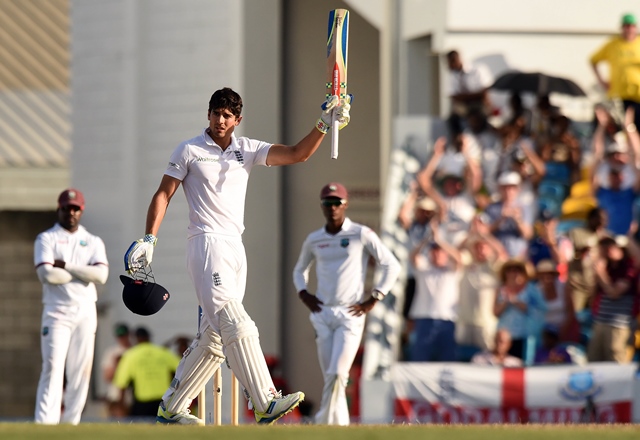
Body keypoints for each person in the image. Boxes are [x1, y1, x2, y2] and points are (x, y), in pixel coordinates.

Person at [123, 87, 351, 425]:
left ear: (237, 120)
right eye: (215, 113)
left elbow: (297, 154)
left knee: (215, 337)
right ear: (209, 114)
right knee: (235, 320)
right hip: (205, 243)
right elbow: (164, 193)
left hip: (234, 246)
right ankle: (265, 400)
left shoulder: (247, 149)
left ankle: (172, 407)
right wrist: (149, 238)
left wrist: (323, 122)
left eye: (227, 115)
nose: (220, 120)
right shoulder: (189, 150)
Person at [292, 182, 400, 425]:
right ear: (322, 206)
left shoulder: (360, 233)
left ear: (345, 204)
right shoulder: (314, 239)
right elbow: (299, 270)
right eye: (327, 203)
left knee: (338, 373)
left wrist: (375, 298)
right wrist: (304, 294)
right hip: (322, 313)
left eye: (336, 202)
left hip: (350, 312)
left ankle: (322, 420)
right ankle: (339, 425)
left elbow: (391, 264)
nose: (332, 208)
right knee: (332, 375)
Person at [34, 188, 109, 424]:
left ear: (82, 210)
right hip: (57, 311)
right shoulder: (47, 238)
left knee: (80, 370)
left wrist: (66, 266)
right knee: (53, 367)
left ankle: (71, 424)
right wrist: (82, 273)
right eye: (67, 208)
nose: (71, 213)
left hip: (85, 311)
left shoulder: (93, 241)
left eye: (75, 208)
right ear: (60, 209)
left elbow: (101, 275)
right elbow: (47, 274)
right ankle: (45, 423)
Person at [407, 221, 463, 362]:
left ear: (445, 254)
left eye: (440, 252)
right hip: (424, 318)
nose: (437, 255)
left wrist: (439, 240)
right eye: (434, 252)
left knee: (446, 358)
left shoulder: (451, 270)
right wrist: (427, 239)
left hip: (447, 319)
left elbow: (458, 258)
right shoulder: (424, 268)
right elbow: (413, 256)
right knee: (421, 356)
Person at [113, 327, 181, 417]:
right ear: (149, 337)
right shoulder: (162, 353)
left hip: (142, 403)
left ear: (136, 338)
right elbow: (181, 368)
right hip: (163, 401)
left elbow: (121, 383)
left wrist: (121, 406)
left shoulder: (130, 355)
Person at [590, 13, 640, 129]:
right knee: (623, 126)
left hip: (638, 93)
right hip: (619, 94)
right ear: (622, 27)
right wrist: (602, 81)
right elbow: (593, 60)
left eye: (631, 26)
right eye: (626, 26)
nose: (629, 29)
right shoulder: (613, 44)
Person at [100, 323, 133, 418]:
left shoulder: (135, 351)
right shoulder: (111, 352)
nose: (122, 338)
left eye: (124, 335)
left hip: (132, 398)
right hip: (115, 397)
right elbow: (107, 377)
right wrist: (117, 364)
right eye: (120, 336)